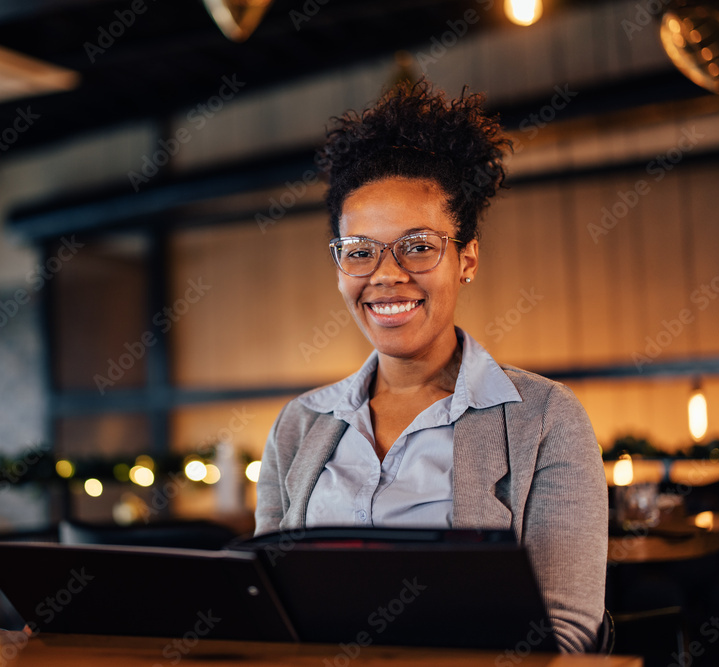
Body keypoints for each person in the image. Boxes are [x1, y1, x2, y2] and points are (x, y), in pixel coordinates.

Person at [254, 79, 608, 653]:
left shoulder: (545, 419)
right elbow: (265, 613)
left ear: (466, 258)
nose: (386, 274)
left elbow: (564, 634)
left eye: (418, 245)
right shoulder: (299, 425)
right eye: (360, 251)